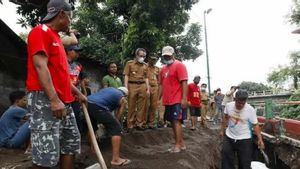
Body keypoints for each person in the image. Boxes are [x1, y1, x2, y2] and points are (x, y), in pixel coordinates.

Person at [26, 0, 87, 168]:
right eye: (70, 17)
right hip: (45, 99)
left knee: (70, 144)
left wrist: (77, 93)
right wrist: (53, 99)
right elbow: (40, 66)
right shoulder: (40, 32)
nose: (71, 21)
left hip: (65, 100)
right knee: (45, 154)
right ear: (62, 14)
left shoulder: (57, 38)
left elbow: (60, 76)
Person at [220, 90, 264, 169]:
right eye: (238, 102)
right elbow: (226, 118)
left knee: (244, 162)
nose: (240, 105)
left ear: (246, 101)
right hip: (229, 136)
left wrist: (260, 139)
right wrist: (222, 130)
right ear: (234, 99)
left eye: (242, 103)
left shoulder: (250, 109)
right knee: (226, 160)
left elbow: (255, 125)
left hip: (244, 139)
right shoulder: (228, 106)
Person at [87, 87, 131, 166]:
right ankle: (116, 159)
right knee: (116, 129)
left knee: (92, 127)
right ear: (125, 95)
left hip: (87, 102)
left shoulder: (109, 89)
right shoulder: (122, 97)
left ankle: (93, 149)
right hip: (99, 106)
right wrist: (115, 124)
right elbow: (119, 114)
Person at [159, 46, 188, 153]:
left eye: (168, 55)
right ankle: (181, 144)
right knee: (172, 121)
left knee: (176, 121)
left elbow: (184, 82)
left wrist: (184, 98)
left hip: (177, 99)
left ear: (173, 55)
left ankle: (177, 145)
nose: (167, 57)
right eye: (165, 56)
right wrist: (158, 98)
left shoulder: (179, 65)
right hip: (167, 100)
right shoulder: (162, 69)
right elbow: (161, 85)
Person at [123, 48, 150, 131]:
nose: (142, 57)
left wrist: (148, 88)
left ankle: (139, 124)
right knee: (131, 105)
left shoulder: (145, 65)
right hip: (132, 85)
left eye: (144, 56)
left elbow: (146, 78)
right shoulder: (129, 63)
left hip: (142, 85)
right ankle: (130, 125)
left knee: (142, 106)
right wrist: (126, 87)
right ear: (136, 55)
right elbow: (126, 75)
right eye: (141, 56)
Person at [66, 44, 84, 132]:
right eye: (76, 51)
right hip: (63, 96)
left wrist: (80, 92)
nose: (78, 54)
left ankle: (77, 140)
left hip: (75, 96)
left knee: (77, 117)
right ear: (69, 51)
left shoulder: (78, 65)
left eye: (78, 52)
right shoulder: (61, 62)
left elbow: (79, 80)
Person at [146, 54, 160, 129]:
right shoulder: (145, 66)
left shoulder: (157, 68)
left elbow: (159, 80)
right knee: (145, 105)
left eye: (155, 59)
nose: (153, 61)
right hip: (146, 87)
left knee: (153, 106)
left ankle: (151, 123)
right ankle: (143, 122)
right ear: (148, 59)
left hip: (155, 87)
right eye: (152, 59)